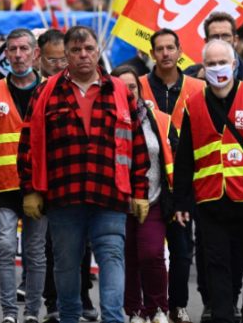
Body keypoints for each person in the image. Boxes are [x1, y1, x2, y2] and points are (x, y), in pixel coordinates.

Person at [17, 25, 150, 323]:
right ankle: (69, 317)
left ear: (98, 50)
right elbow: (28, 144)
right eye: (75, 50)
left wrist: (140, 191)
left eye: (88, 49)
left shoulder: (120, 91)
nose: (83, 55)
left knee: (113, 258)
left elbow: (137, 143)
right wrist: (30, 189)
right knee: (65, 264)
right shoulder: (45, 92)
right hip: (64, 195)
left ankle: (113, 319)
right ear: (65, 55)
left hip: (110, 194)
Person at [174, 39, 243, 323]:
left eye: (222, 62)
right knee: (216, 263)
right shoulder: (193, 103)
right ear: (202, 68)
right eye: (210, 64)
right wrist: (181, 200)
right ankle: (222, 317)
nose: (217, 68)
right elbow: (185, 155)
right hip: (211, 198)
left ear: (234, 64)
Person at [0, 29, 48, 323]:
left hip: (40, 186)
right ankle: (8, 313)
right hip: (4, 185)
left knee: (36, 252)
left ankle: (31, 312)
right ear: (5, 54)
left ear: (35, 53)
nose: (18, 55)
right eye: (13, 50)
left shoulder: (49, 90)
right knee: (5, 247)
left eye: (23, 49)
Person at [138, 29, 204, 323]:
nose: (165, 53)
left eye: (170, 48)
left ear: (180, 52)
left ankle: (177, 305)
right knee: (143, 250)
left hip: (184, 182)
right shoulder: (136, 85)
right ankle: (145, 306)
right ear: (152, 53)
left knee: (181, 248)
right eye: (159, 49)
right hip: (145, 181)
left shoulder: (198, 87)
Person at [34, 29, 98, 323]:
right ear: (41, 57)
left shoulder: (101, 85)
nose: (60, 64)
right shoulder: (42, 91)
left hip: (89, 183)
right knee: (55, 248)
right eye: (54, 59)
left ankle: (83, 297)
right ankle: (53, 302)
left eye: (65, 57)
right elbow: (32, 141)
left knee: (82, 245)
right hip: (52, 183)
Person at [113, 64, 177, 323]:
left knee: (151, 254)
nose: (128, 92)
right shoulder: (105, 118)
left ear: (139, 90)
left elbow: (173, 159)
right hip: (117, 202)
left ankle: (158, 309)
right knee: (127, 257)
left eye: (132, 87)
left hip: (153, 200)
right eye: (121, 87)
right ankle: (135, 312)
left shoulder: (159, 119)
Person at [183, 13, 243, 83]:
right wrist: (199, 81)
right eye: (215, 36)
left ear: (235, 39)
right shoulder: (189, 75)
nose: (220, 40)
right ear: (206, 41)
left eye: (225, 36)